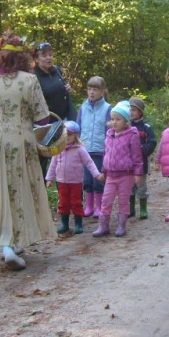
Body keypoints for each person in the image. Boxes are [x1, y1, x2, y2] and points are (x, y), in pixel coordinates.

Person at [0, 32, 55, 270]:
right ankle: (9, 244)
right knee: (18, 189)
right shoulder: (29, 81)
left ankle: (9, 243)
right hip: (20, 142)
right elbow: (43, 116)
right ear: (22, 58)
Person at [93, 101, 143, 237]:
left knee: (123, 200)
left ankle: (121, 226)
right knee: (106, 200)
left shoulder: (132, 135)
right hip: (110, 175)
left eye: (118, 119)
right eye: (112, 119)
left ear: (126, 121)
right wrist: (103, 170)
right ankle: (103, 226)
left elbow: (137, 156)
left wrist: (138, 173)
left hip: (126, 174)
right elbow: (106, 154)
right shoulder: (109, 135)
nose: (114, 122)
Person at [45, 121, 105, 235]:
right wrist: (49, 178)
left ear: (76, 136)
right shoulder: (58, 149)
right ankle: (64, 224)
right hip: (61, 181)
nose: (67, 137)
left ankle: (78, 224)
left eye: (70, 134)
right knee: (63, 202)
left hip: (75, 182)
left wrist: (96, 174)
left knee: (76, 202)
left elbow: (89, 163)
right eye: (65, 134)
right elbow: (53, 164)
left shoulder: (80, 149)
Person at [33, 41, 76, 176]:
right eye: (44, 55)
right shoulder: (34, 77)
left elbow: (62, 91)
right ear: (36, 59)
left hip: (61, 123)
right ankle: (41, 193)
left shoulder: (56, 70)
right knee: (42, 162)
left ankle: (64, 192)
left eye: (50, 55)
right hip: (44, 127)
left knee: (64, 160)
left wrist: (66, 89)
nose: (48, 58)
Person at [77, 76, 112, 219]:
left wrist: (108, 148)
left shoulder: (107, 109)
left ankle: (99, 207)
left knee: (98, 180)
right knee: (86, 180)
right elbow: (77, 127)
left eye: (95, 89)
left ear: (102, 91)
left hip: (99, 150)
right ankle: (89, 206)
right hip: (84, 150)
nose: (92, 92)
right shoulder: (83, 107)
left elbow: (110, 131)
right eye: (89, 89)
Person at [129, 97, 157, 220]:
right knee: (130, 187)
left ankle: (143, 209)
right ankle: (130, 209)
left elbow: (152, 142)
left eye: (134, 110)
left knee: (141, 186)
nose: (131, 112)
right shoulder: (126, 126)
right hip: (128, 163)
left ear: (140, 112)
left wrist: (141, 151)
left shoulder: (146, 127)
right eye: (129, 109)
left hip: (142, 163)